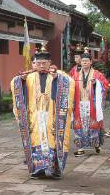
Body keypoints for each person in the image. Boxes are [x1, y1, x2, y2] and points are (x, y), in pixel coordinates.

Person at [11, 44, 75, 179]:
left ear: (49, 63)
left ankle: (54, 169)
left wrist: (58, 77)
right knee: (35, 140)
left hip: (52, 116)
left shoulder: (58, 75)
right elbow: (16, 84)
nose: (41, 66)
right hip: (35, 115)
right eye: (38, 63)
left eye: (44, 63)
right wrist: (20, 81)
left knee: (54, 140)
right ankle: (38, 169)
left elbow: (70, 83)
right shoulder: (29, 77)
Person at [70, 52, 107, 156]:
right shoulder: (75, 75)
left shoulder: (97, 74)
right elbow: (70, 87)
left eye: (86, 61)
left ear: (91, 62)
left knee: (94, 125)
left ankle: (96, 144)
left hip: (92, 104)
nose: (84, 62)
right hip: (79, 104)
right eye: (82, 61)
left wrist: (97, 84)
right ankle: (80, 147)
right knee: (79, 125)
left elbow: (105, 85)